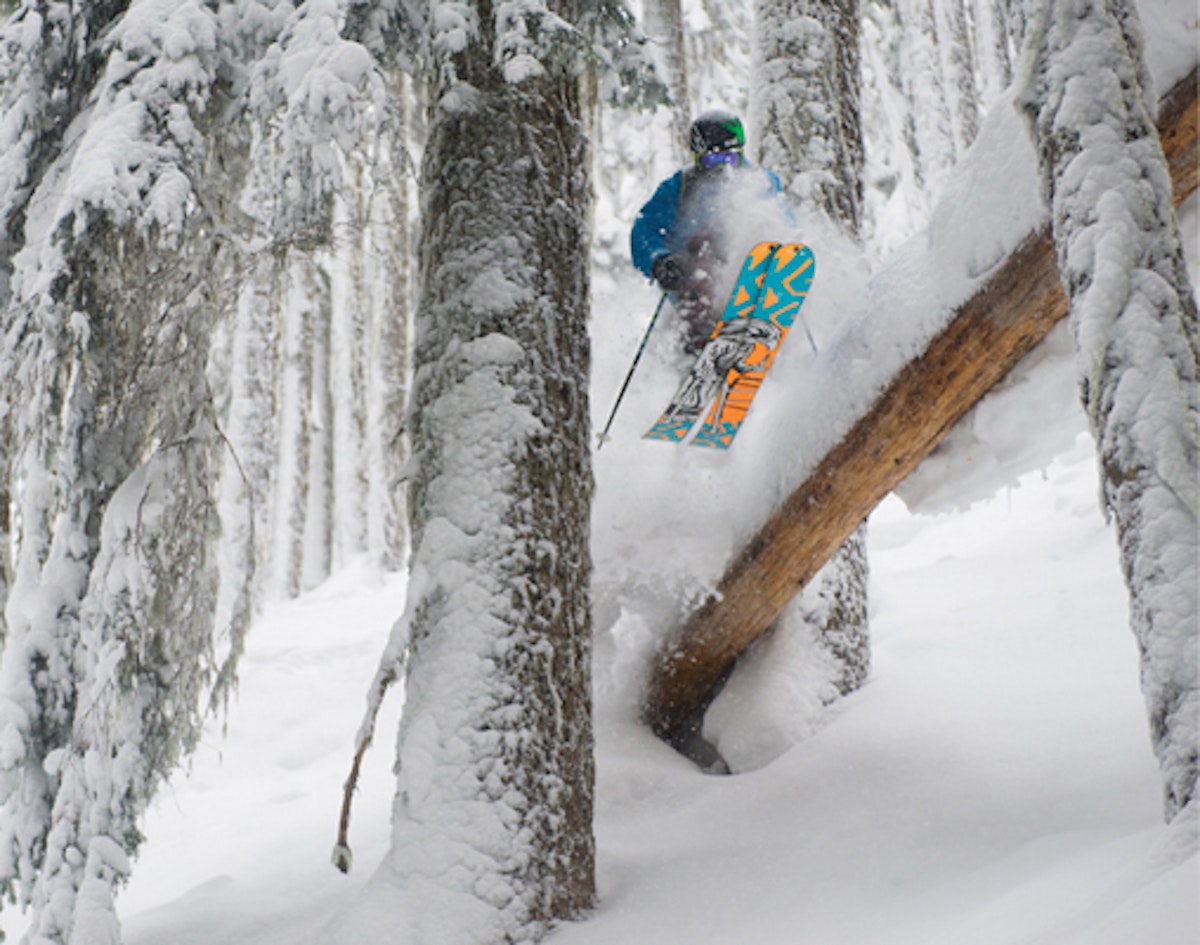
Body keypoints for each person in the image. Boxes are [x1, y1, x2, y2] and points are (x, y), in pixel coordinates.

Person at [631, 110, 790, 354]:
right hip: (693, 292)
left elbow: (785, 222)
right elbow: (645, 229)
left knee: (735, 233)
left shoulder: (760, 182)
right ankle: (698, 347)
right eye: (712, 162)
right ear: (697, 158)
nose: (722, 170)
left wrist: (784, 249)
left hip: (744, 281)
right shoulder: (680, 187)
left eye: (729, 159)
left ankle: (754, 327)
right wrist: (659, 260)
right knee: (703, 243)